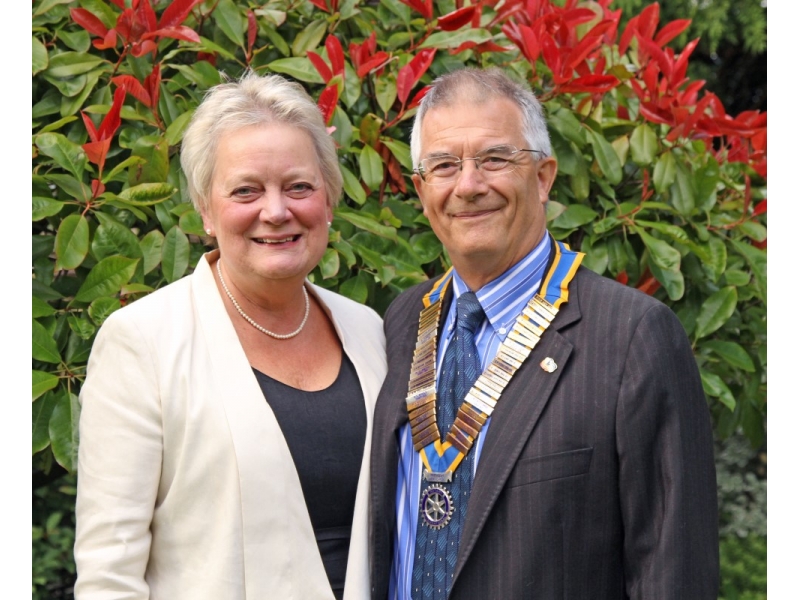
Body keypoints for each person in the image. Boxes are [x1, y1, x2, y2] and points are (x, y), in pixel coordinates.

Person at [369, 68, 719, 600]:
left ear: (543, 176)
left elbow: (673, 575)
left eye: (494, 159)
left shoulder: (633, 338)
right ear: (421, 189)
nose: (468, 185)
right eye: (444, 165)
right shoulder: (402, 320)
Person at [74, 72, 387, 600]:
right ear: (205, 209)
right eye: (246, 190)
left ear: (329, 199)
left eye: (299, 187)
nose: (276, 211)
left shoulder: (368, 329)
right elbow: (110, 574)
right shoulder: (142, 342)